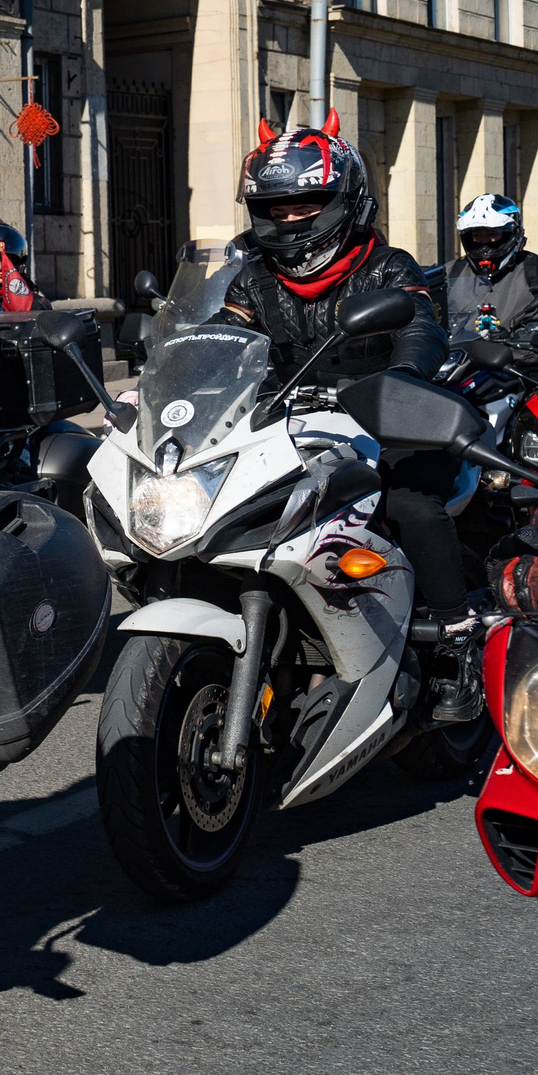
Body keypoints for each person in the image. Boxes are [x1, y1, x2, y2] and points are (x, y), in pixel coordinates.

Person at [218, 118, 475, 716]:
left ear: (346, 201)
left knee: (411, 505)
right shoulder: (254, 278)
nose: (290, 219)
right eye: (275, 208)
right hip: (292, 425)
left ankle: (453, 645)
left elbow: (419, 325)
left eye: (307, 202)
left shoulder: (388, 266)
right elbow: (223, 338)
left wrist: (403, 377)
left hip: (387, 419)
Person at [446, 194, 538, 341]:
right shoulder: (450, 272)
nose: (484, 243)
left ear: (512, 234)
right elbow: (424, 313)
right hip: (457, 359)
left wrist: (528, 337)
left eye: (493, 234)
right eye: (477, 236)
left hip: (518, 360)